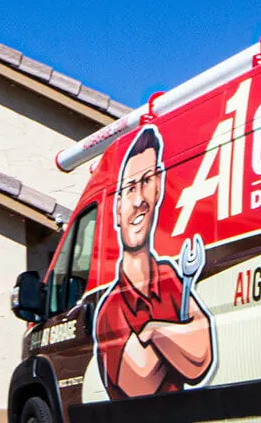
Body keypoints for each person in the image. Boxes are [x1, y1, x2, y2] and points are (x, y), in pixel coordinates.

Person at [92, 126, 213, 398]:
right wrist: (179, 334)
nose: (139, 200)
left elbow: (201, 356)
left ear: (158, 190)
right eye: (130, 188)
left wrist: (152, 330)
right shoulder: (108, 310)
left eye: (147, 182)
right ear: (117, 207)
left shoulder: (170, 275)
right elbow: (139, 384)